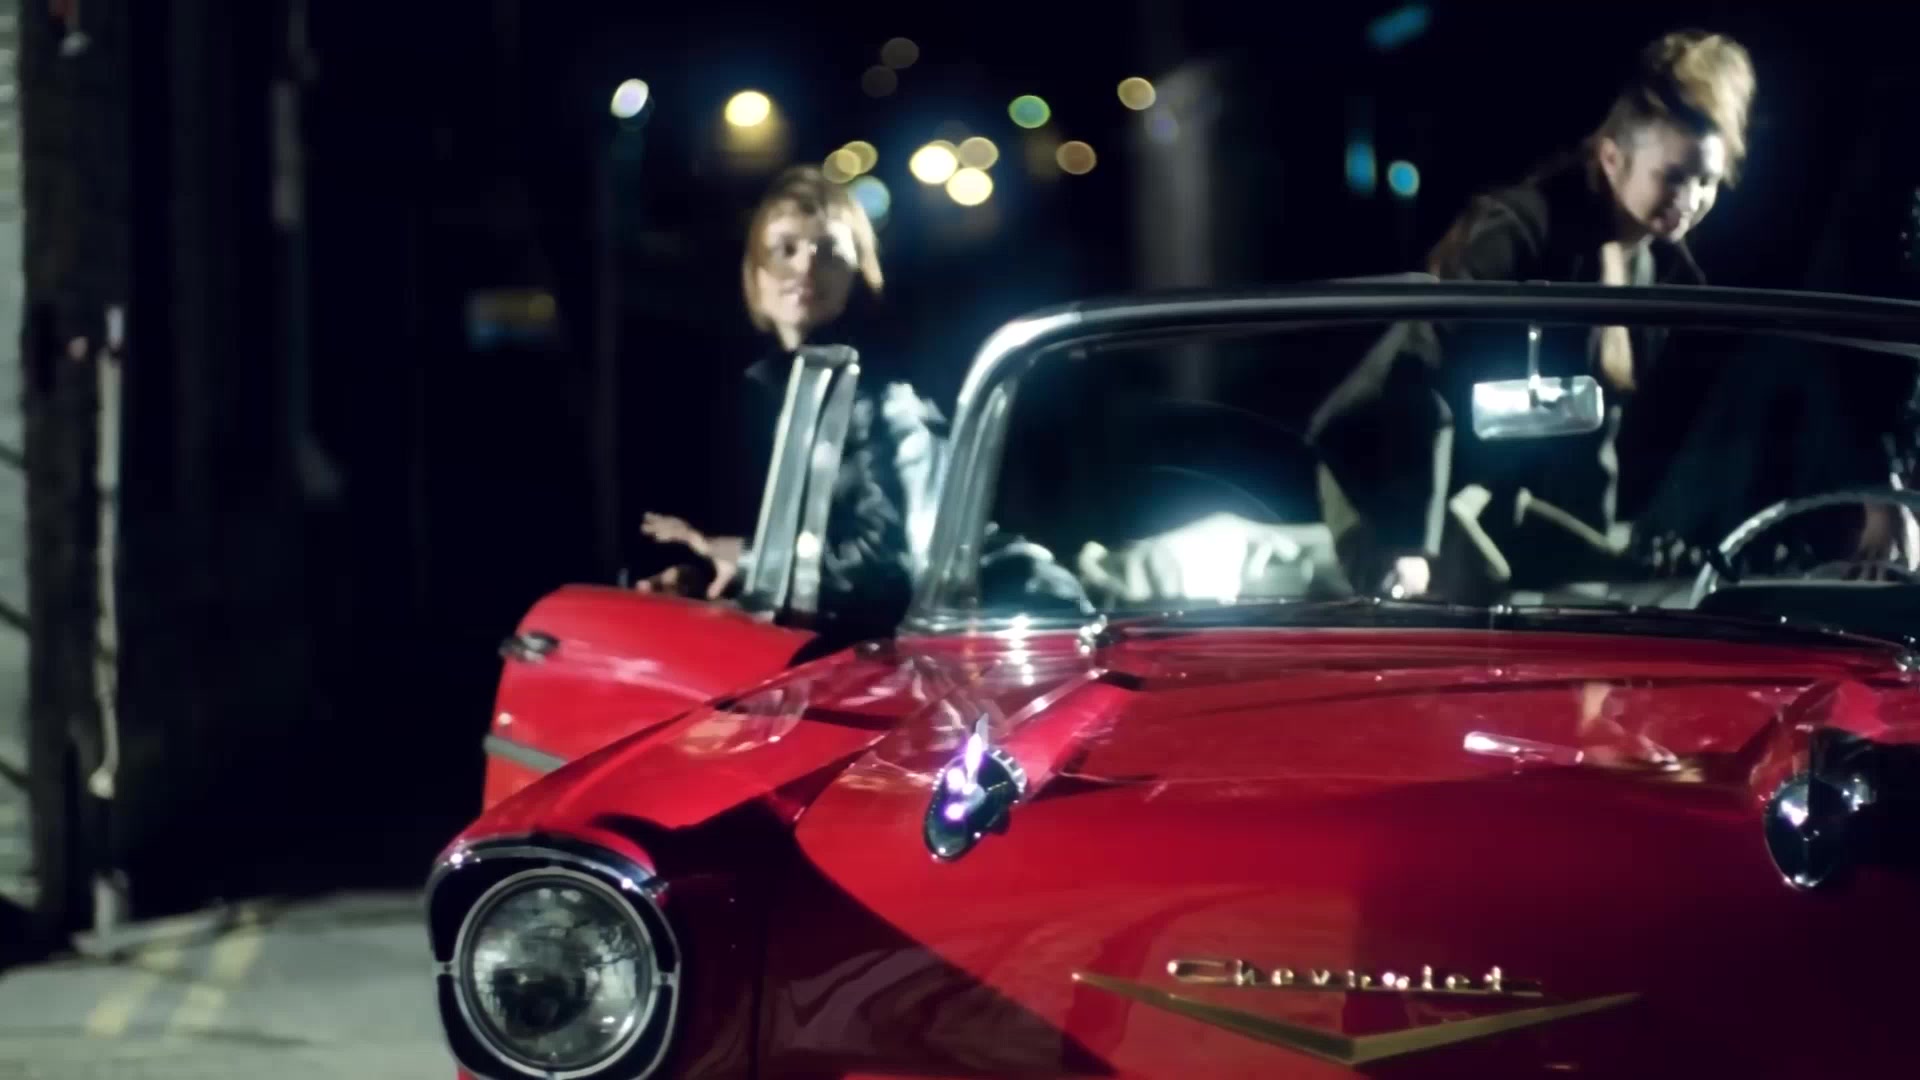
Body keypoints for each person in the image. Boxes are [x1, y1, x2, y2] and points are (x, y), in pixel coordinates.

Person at [1309, 29, 1756, 601]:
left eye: (1706, 181)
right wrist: (1412, 542)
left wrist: (1595, 564)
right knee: (1470, 594)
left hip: (1489, 484)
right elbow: (1414, 369)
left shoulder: (1655, 271)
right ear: (1612, 158)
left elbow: (1595, 426)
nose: (1690, 199)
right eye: (1673, 177)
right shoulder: (1516, 231)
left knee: (1612, 593)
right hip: (1386, 463)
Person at [634, 166, 947, 633]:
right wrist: (701, 576)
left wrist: (748, 562)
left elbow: (889, 569)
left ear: (858, 271)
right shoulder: (748, 394)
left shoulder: (888, 399)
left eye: (829, 252)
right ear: (756, 272)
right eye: (785, 249)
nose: (805, 267)